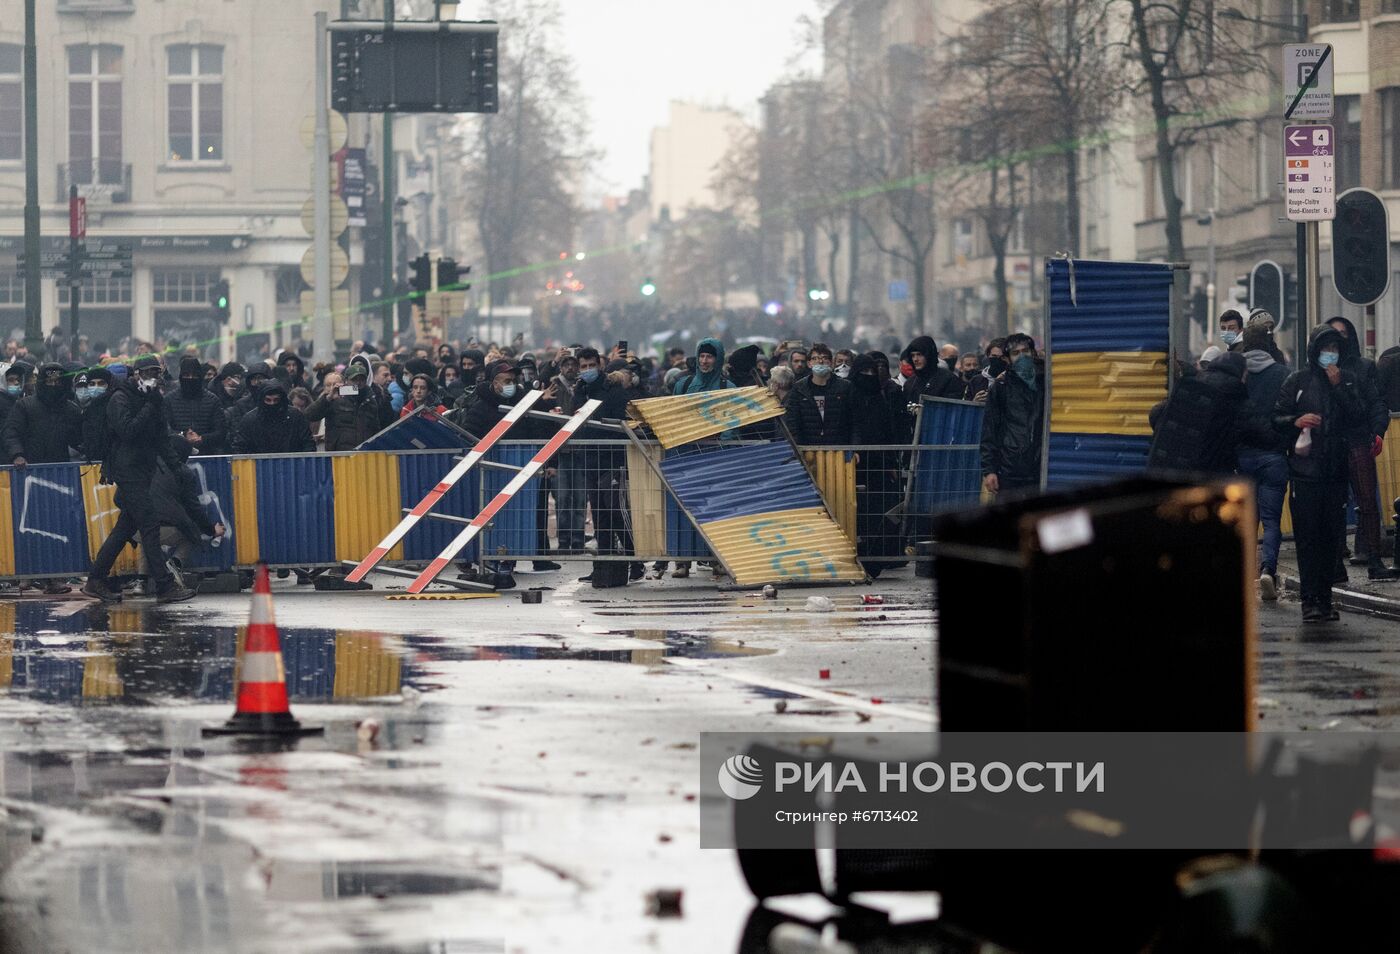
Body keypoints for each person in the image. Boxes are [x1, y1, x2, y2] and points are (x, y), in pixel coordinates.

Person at [83, 355, 196, 604]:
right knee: (149, 525)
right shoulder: (120, 398)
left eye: (156, 373)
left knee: (124, 529)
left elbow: (161, 438)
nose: (152, 378)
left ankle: (95, 580)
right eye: (147, 373)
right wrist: (149, 405)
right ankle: (165, 585)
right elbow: (128, 431)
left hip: (143, 471)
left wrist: (176, 467)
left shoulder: (154, 400)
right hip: (127, 471)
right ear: (136, 375)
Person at [1274, 325, 1369, 623]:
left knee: (1331, 539)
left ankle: (1325, 599)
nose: (1331, 354)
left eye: (1336, 349)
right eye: (1326, 348)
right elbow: (1276, 420)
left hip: (1336, 472)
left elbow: (1358, 415)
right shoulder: (1297, 381)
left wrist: (1340, 387)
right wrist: (1296, 420)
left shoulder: (1348, 381)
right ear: (1315, 350)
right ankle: (1310, 600)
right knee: (1308, 538)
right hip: (1305, 473)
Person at [1326, 316, 1397, 581]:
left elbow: (1376, 402)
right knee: (1333, 502)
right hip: (1331, 443)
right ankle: (1336, 560)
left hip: (1357, 440)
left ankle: (1374, 557)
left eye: (1343, 334)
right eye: (1333, 334)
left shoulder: (1363, 367)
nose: (1339, 340)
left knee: (1367, 501)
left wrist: (1377, 432)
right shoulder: (1320, 369)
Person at [130, 436, 226, 596]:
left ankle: (141, 582)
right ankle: (175, 563)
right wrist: (211, 530)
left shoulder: (144, 467)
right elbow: (194, 508)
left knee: (147, 536)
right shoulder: (183, 473)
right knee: (193, 534)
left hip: (136, 530)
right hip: (167, 528)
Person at [1239, 325, 1293, 601]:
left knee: (1247, 520)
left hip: (1244, 457)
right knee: (1271, 521)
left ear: (1245, 345)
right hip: (1274, 457)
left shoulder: (1240, 376)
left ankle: (1245, 574)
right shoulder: (1283, 374)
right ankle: (1267, 571)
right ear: (1268, 343)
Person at [1147, 351, 1263, 475]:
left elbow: (1156, 412)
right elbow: (1256, 430)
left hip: (1168, 463)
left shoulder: (1193, 384)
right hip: (1206, 469)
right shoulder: (1235, 393)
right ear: (1241, 372)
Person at [979, 333, 1044, 496]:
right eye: (1016, 353)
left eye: (1025, 351)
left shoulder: (1045, 382)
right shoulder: (1001, 387)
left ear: (1033, 353)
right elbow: (990, 430)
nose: (1022, 356)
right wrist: (989, 470)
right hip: (1010, 469)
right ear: (1007, 359)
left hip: (1042, 467)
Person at [2, 362, 81, 468]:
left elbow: (79, 440)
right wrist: (17, 455)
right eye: (49, 381)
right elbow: (11, 433)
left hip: (63, 470)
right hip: (29, 469)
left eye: (57, 382)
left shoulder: (72, 410)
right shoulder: (24, 406)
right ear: (42, 382)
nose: (53, 385)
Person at [783, 343, 854, 445]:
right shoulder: (799, 388)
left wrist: (853, 447)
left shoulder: (845, 387)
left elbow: (853, 420)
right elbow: (792, 421)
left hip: (837, 448)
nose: (820, 361)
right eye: (815, 358)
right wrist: (797, 446)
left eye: (824, 358)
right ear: (809, 363)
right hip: (808, 449)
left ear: (830, 362)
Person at [164, 356, 229, 456]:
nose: (190, 379)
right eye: (186, 375)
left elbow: (221, 431)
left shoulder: (212, 400)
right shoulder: (169, 400)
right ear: (181, 377)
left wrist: (202, 438)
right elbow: (164, 428)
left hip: (208, 455)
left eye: (194, 375)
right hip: (176, 457)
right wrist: (183, 435)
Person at [232, 381, 315, 454]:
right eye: (268, 400)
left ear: (281, 400)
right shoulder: (249, 420)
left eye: (276, 400)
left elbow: (308, 443)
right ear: (262, 400)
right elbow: (239, 447)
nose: (272, 404)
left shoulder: (295, 417)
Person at [901, 335, 965, 402]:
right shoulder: (910, 383)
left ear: (929, 355)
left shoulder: (948, 379)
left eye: (919, 354)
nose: (915, 359)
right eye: (913, 355)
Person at [966, 339, 1007, 404]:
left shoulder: (1014, 380)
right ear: (988, 355)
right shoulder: (976, 381)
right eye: (994, 356)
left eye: (1002, 357)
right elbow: (965, 406)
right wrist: (974, 402)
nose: (998, 360)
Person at [0, 359, 32, 434]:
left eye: (18, 379)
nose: (17, 382)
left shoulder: (13, 400)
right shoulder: (3, 404)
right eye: (11, 380)